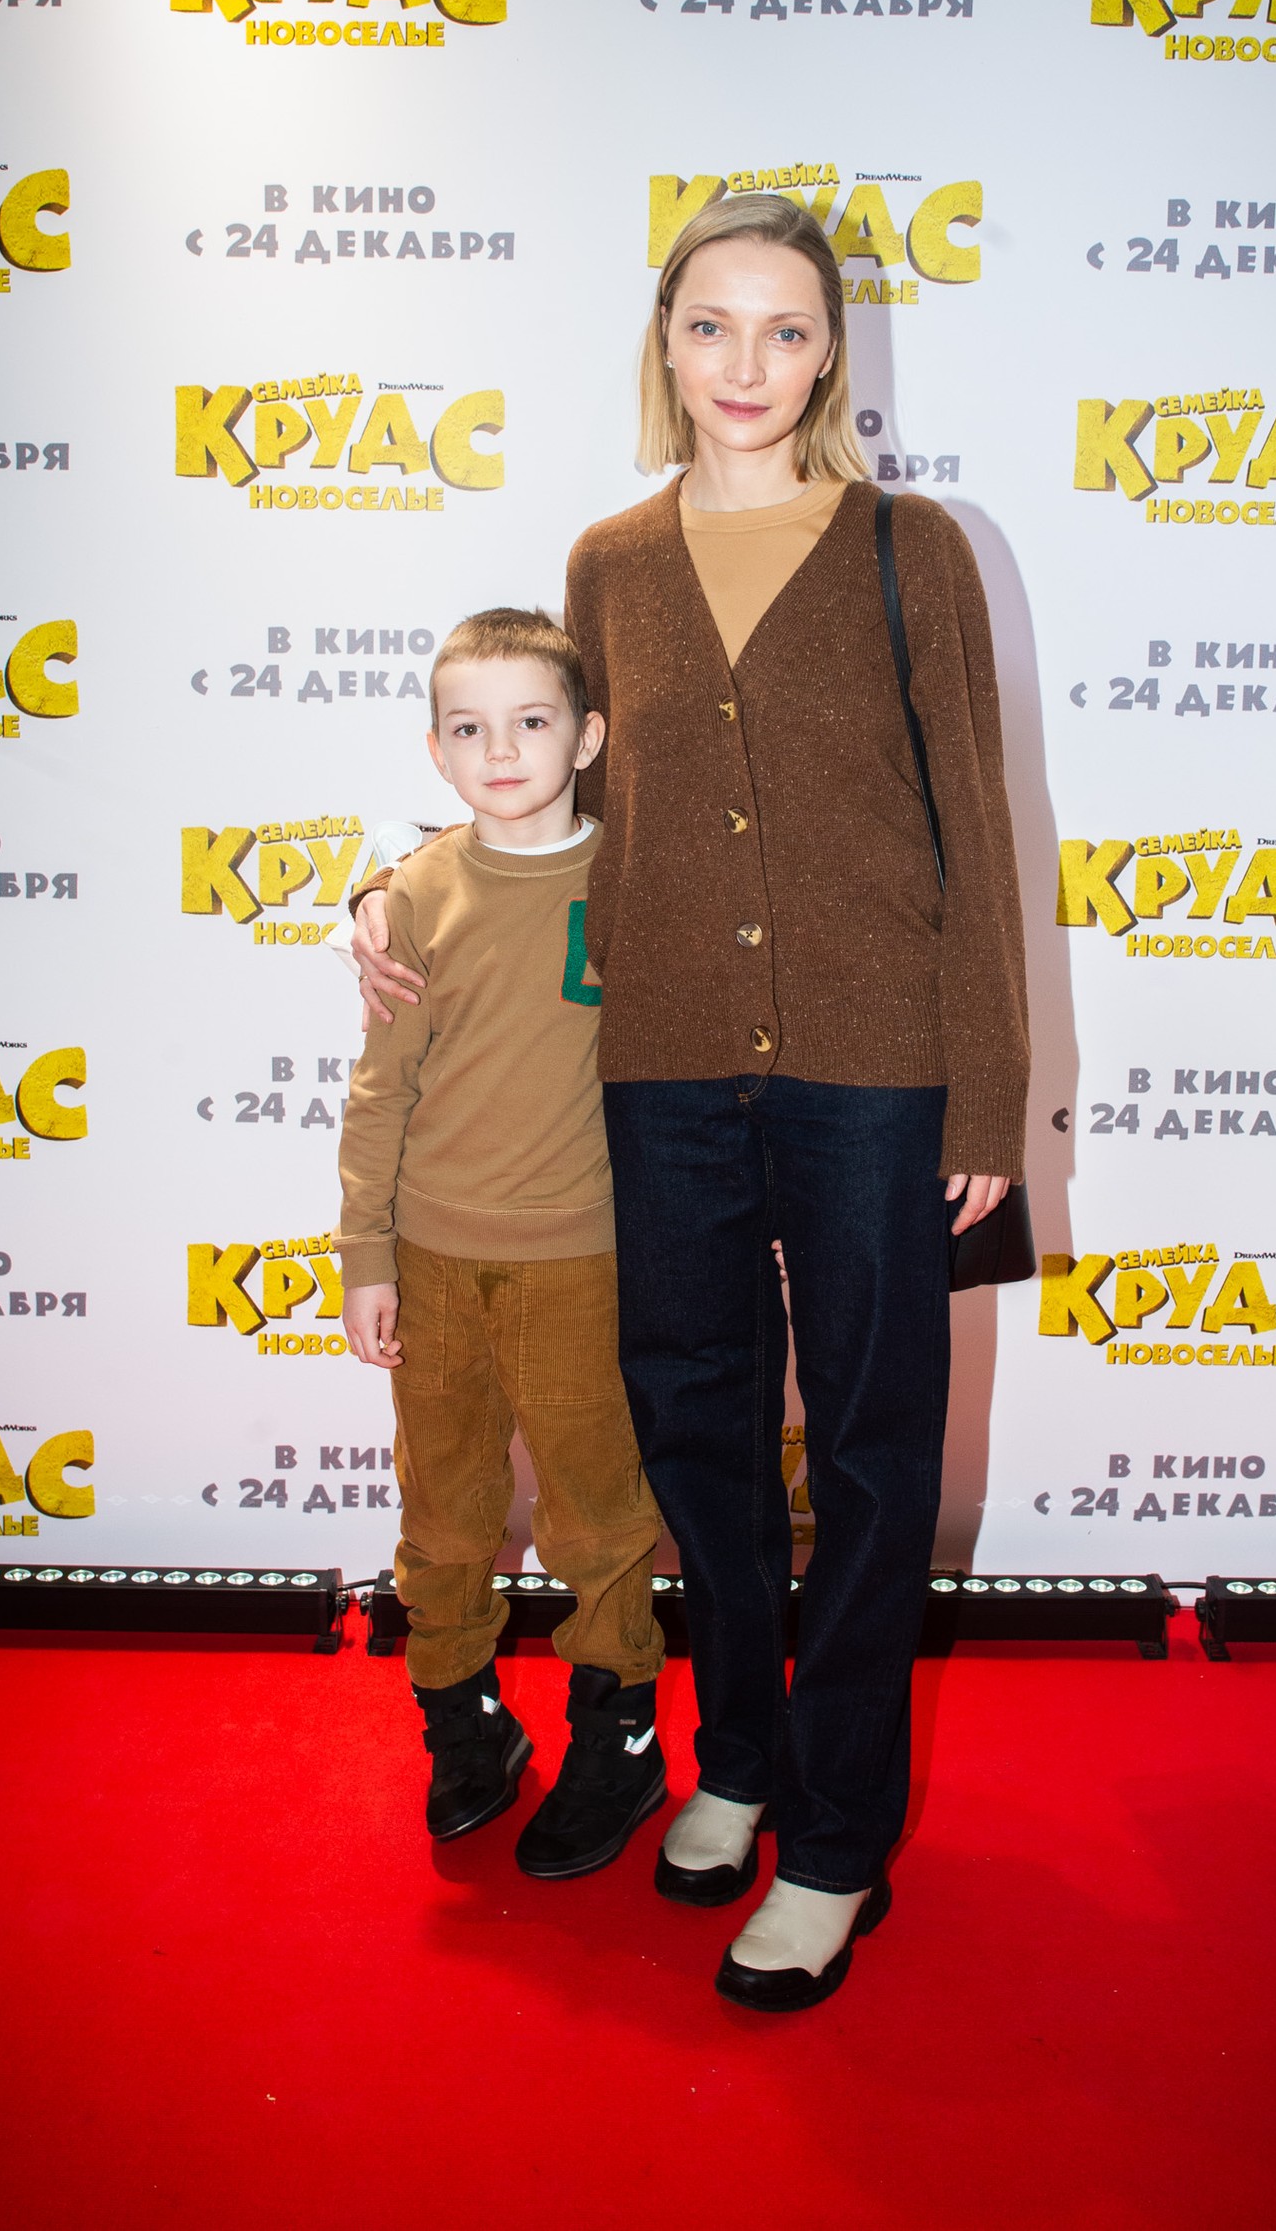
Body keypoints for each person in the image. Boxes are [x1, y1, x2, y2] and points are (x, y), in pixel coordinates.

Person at [354, 194, 1028, 2008]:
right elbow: (562, 802)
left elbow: (976, 824)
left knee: (872, 1452)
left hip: (876, 1065)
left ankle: (838, 1837)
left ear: (831, 353)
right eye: (711, 324)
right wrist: (394, 885)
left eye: (786, 328)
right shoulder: (610, 562)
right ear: (665, 342)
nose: (747, 362)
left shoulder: (909, 547)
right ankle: (736, 1756)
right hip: (656, 1065)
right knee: (700, 1435)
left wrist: (988, 1095)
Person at [338, 608, 667, 1881]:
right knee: (445, 1507)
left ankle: (618, 1734)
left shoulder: (635, 877)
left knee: (597, 1513)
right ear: (437, 752)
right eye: (469, 729)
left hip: (582, 1259)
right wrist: (366, 1256)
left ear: (587, 737)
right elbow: (380, 1093)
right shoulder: (415, 892)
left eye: (532, 721)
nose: (503, 750)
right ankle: (462, 1715)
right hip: (430, 1260)